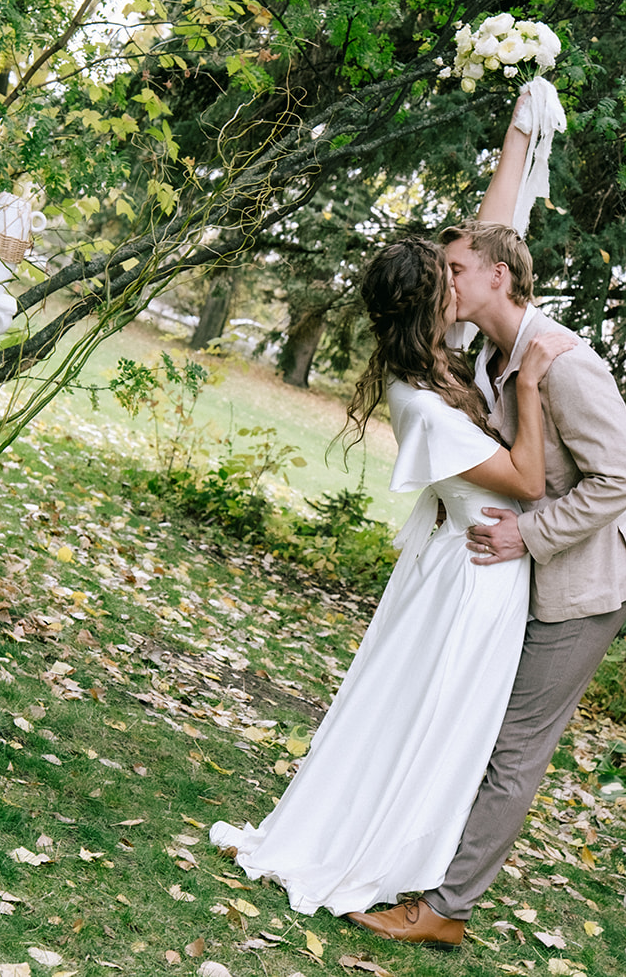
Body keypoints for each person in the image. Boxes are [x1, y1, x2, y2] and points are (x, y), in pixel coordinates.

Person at [349, 98, 626, 947]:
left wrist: (532, 533)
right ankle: (422, 867)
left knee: (513, 749)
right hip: (514, 578)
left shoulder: (564, 364)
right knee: (478, 731)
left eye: (453, 268)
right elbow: (494, 221)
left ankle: (445, 910)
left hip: (583, 587)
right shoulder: (487, 352)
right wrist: (519, 130)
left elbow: (623, 478)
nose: (444, 278)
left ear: (496, 279)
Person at [208, 236, 576, 917]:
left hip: (481, 566)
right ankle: (380, 846)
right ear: (433, 302)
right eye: (449, 279)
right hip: (474, 577)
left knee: (438, 716)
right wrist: (528, 380)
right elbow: (526, 478)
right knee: (431, 714)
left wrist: (523, 135)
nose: (460, 287)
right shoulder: (423, 402)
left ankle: (406, 840)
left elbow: (494, 235)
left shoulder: (440, 363)